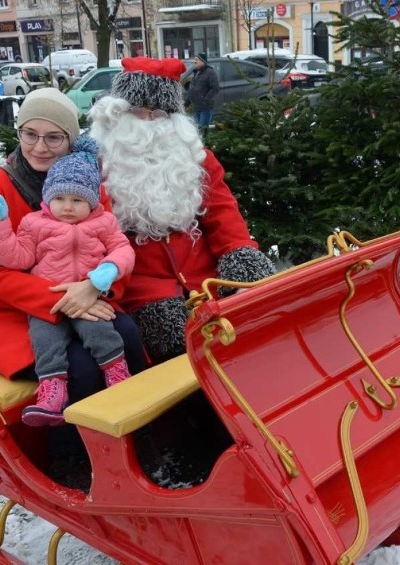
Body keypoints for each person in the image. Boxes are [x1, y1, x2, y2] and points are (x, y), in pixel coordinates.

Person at [0, 88, 145, 488]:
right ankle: (68, 461)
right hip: (18, 311)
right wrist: (72, 298)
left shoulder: (86, 180)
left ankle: (136, 441)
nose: (40, 147)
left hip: (88, 295)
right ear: (19, 133)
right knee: (79, 365)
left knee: (129, 334)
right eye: (30, 134)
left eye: (53, 137)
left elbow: (113, 246)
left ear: (70, 140)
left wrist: (95, 290)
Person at [88, 56, 274, 363]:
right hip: (143, 289)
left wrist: (241, 262)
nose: (147, 121)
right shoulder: (98, 165)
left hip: (205, 278)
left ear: (173, 117)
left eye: (157, 112)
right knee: (179, 347)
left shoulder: (194, 158)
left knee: (251, 331)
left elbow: (223, 214)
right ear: (119, 112)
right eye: (137, 112)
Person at [0, 136, 136, 426]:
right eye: (60, 199)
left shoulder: (102, 223)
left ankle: (117, 373)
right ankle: (52, 392)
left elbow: (122, 249)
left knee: (101, 332)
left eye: (77, 200)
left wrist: (106, 272)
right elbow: (15, 258)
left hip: (89, 296)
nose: (67, 207)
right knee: (45, 341)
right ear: (48, 199)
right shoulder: (35, 224)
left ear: (91, 203)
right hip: (49, 300)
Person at [186, 53, 219, 138]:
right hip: (197, 107)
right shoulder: (196, 73)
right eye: (195, 59)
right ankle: (200, 146)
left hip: (205, 107)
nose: (195, 61)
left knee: (203, 130)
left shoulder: (210, 72)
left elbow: (215, 88)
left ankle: (205, 147)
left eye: (197, 59)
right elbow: (192, 89)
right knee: (197, 130)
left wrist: (205, 99)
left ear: (203, 61)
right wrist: (187, 102)